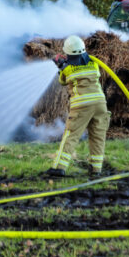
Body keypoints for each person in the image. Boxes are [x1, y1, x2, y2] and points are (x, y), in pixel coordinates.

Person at [46, 36, 111, 178]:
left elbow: (63, 80)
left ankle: (59, 167)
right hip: (100, 105)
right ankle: (96, 170)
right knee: (98, 137)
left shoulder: (68, 70)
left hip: (82, 106)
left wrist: (61, 66)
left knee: (71, 135)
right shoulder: (94, 64)